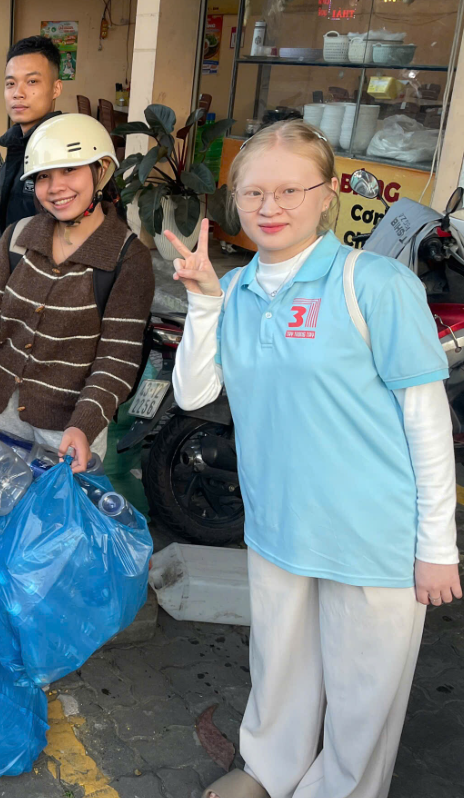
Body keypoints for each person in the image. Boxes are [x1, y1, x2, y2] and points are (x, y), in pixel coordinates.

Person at [169, 119, 461, 798]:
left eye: (290, 191)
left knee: (364, 694)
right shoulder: (237, 290)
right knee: (280, 666)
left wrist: (438, 547)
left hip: (372, 534)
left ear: (327, 194)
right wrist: (204, 302)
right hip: (277, 525)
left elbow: (426, 422)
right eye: (254, 193)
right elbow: (193, 391)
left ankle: (340, 789)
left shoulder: (376, 285)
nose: (270, 208)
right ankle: (268, 770)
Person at [0, 114, 153, 469]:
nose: (55, 187)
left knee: (56, 520)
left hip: (68, 430)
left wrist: (84, 425)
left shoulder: (126, 257)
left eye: (69, 170)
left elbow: (116, 361)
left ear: (101, 169)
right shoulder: (18, 237)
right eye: (44, 176)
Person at [0, 35, 63, 233]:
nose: (18, 93)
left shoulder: (66, 149)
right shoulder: (17, 143)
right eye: (10, 83)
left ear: (56, 88)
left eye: (32, 81)